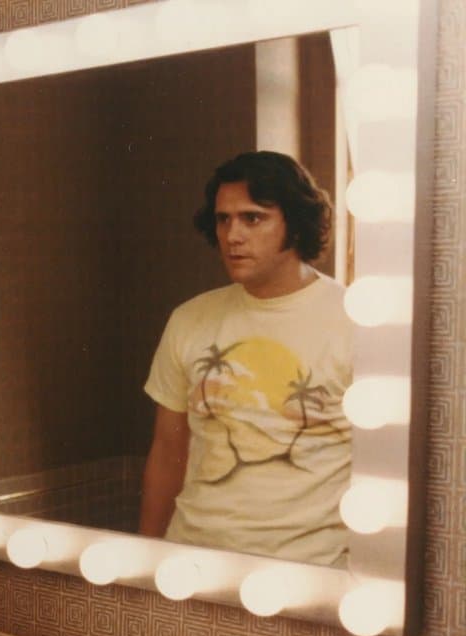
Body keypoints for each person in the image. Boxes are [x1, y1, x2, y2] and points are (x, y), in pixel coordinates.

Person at [138, 150, 352, 567]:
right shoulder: (190, 319)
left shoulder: (352, 320)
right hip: (192, 558)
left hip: (310, 567)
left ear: (295, 224)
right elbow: (167, 451)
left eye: (253, 218)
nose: (232, 235)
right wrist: (145, 557)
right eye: (224, 219)